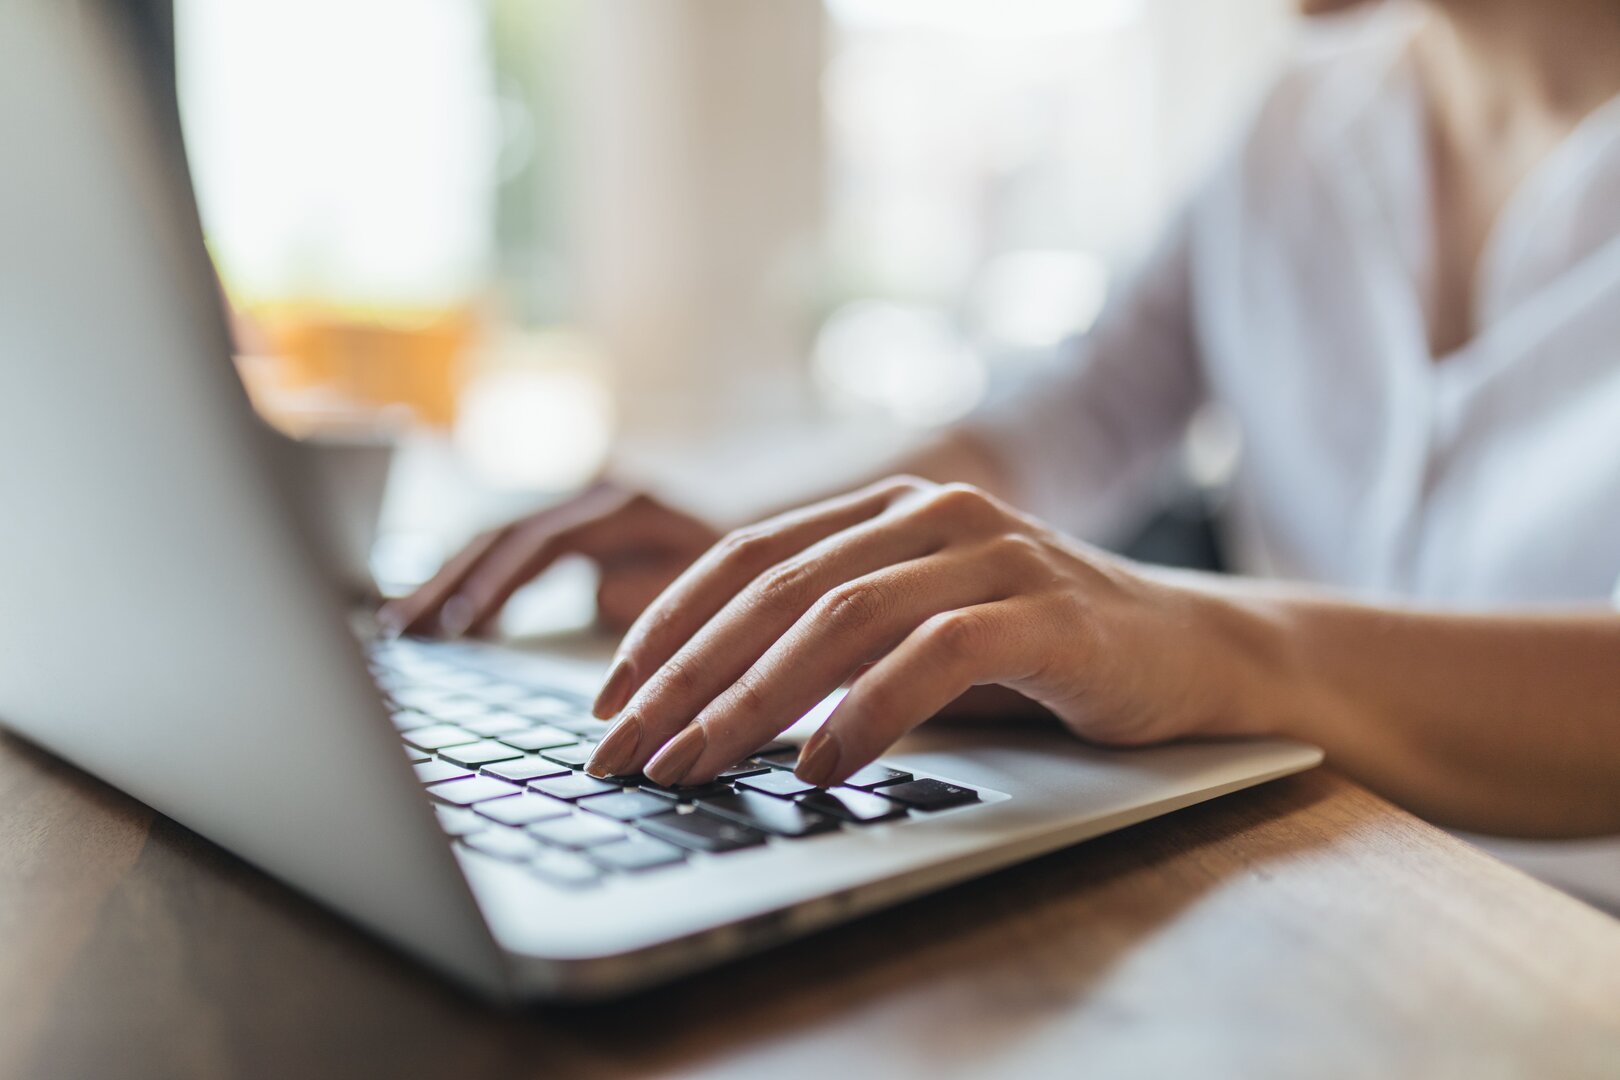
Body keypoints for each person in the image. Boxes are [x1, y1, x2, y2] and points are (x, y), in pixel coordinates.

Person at [380, 0, 1614, 908]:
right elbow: (1063, 418)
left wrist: (1208, 641)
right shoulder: (1299, 118)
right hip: (1331, 890)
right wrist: (758, 557)